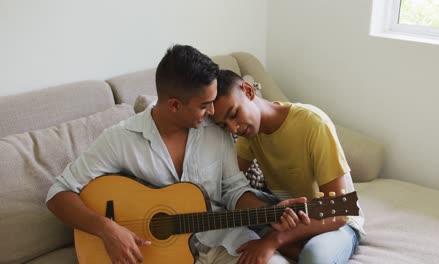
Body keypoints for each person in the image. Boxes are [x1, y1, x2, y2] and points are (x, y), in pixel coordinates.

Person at [45, 45, 309, 264]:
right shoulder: (121, 139)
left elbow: (234, 190)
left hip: (223, 243)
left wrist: (272, 212)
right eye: (205, 106)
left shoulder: (217, 131)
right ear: (174, 105)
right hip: (154, 255)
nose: (213, 113)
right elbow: (58, 193)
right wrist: (107, 229)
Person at [212, 70, 365, 264]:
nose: (234, 128)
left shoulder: (313, 124)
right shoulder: (249, 134)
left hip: (335, 220)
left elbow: (340, 211)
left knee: (314, 257)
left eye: (234, 114)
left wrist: (274, 240)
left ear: (249, 91)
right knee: (236, 206)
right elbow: (231, 187)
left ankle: (292, 247)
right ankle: (292, 244)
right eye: (224, 126)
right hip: (289, 215)